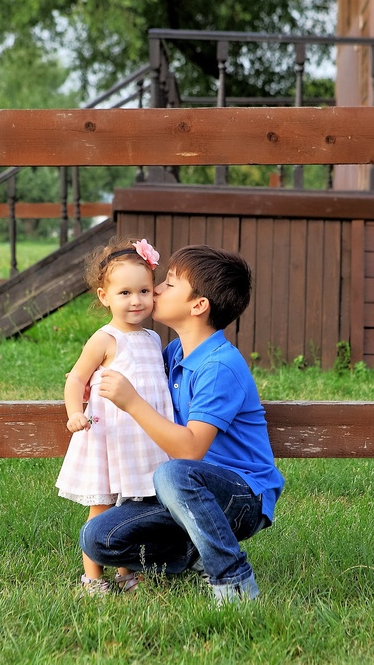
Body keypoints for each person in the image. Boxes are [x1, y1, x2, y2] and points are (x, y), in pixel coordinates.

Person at [82, 245, 285, 605]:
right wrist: (90, 378)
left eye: (170, 284)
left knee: (173, 473)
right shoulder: (174, 353)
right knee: (97, 537)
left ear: (198, 306)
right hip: (185, 496)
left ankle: (233, 580)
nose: (156, 289)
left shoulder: (219, 366)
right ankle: (192, 557)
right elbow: (132, 372)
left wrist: (131, 401)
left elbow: (190, 449)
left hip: (240, 497)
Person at [56, 237, 173, 596]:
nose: (136, 300)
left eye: (143, 291)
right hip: (112, 437)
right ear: (104, 296)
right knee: (104, 506)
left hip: (144, 438)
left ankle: (126, 571)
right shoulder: (105, 339)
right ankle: (93, 576)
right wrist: (74, 412)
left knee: (133, 509)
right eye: (124, 293)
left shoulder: (154, 338)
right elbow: (76, 378)